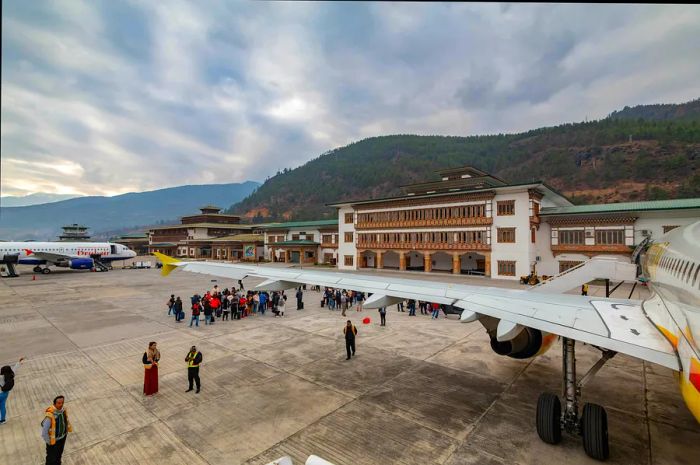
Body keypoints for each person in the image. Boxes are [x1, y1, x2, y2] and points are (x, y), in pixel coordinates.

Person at [42, 395, 72, 465]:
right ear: (54, 403)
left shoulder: (63, 410)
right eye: (59, 403)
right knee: (51, 459)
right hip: (53, 441)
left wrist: (65, 433)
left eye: (62, 403)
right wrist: (49, 442)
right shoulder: (50, 415)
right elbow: (44, 432)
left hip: (62, 438)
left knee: (59, 456)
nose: (61, 404)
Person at [0, 357, 24, 424]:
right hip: (5, 393)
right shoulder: (12, 375)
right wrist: (19, 362)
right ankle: (2, 420)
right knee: (2, 406)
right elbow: (15, 368)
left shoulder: (1, 377)